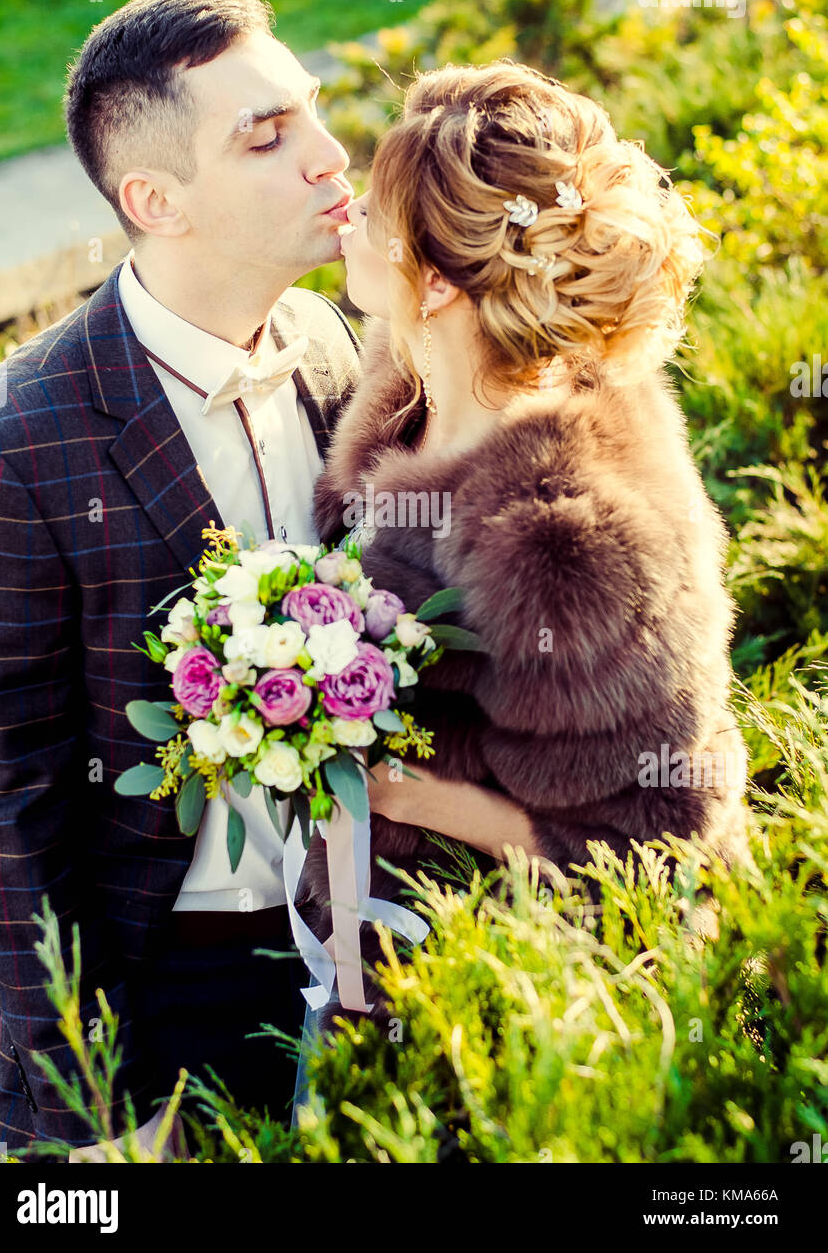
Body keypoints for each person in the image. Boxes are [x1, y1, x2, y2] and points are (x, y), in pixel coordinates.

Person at [0, 0, 360, 1161]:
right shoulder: (12, 450)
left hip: (357, 942)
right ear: (155, 200)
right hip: (164, 982)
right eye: (268, 135)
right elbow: (2, 818)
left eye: (312, 112)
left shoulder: (333, 342)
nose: (330, 154)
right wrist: (92, 1115)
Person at [298, 60, 750, 1026]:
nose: (347, 222)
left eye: (374, 219)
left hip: (512, 989)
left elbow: (660, 842)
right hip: (372, 936)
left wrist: (410, 798)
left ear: (437, 287)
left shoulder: (563, 547)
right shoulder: (411, 370)